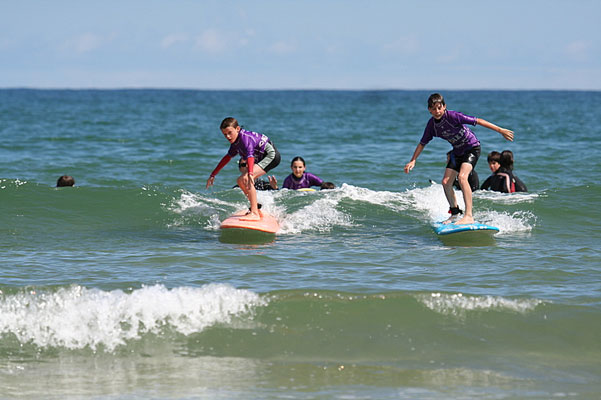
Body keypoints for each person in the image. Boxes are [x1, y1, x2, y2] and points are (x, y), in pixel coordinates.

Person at [404, 93, 514, 225]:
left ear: (444, 107)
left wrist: (500, 130)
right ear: (429, 110)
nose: (437, 111)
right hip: (457, 152)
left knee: (462, 177)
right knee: (445, 182)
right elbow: (422, 143)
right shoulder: (432, 125)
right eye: (433, 109)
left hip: (472, 148)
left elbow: (478, 121)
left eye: (439, 107)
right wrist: (413, 160)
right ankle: (455, 213)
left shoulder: (453, 116)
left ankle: (469, 216)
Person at [206, 117, 281, 220]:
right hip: (262, 157)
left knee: (245, 178)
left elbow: (250, 156)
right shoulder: (235, 142)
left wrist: (250, 173)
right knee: (240, 180)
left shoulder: (245, 138)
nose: (227, 136)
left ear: (237, 129)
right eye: (225, 134)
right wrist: (213, 174)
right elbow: (227, 158)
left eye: (229, 133)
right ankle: (256, 206)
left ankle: (254, 213)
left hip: (271, 155)